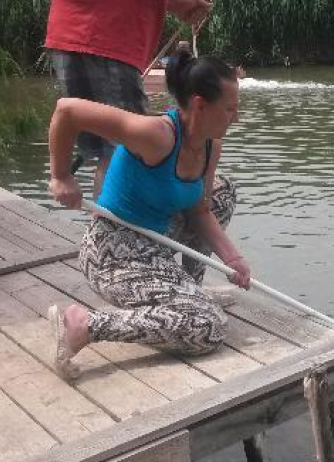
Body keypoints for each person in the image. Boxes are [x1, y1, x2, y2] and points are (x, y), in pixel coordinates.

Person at [47, 50, 250, 380]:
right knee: (208, 328)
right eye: (229, 109)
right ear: (200, 105)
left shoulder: (211, 146)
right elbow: (67, 110)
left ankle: (190, 289)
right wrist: (60, 176)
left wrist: (233, 259)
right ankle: (84, 325)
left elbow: (199, 210)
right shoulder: (156, 135)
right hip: (113, 253)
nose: (236, 117)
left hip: (156, 244)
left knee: (221, 191)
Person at [45, 0, 212, 194]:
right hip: (110, 33)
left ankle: (102, 218)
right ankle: (113, 223)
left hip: (73, 28)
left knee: (112, 152)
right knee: (128, 151)